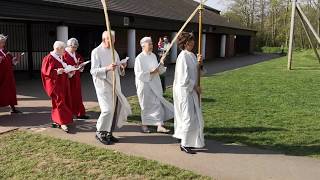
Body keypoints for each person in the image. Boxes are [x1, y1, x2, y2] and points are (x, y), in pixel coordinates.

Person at [91, 30, 132, 145]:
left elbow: (118, 68)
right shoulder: (96, 52)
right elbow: (93, 71)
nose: (113, 43)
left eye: (114, 40)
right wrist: (107, 68)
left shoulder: (114, 51)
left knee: (113, 110)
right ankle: (100, 131)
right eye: (111, 40)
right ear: (105, 39)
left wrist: (122, 66)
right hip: (103, 85)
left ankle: (108, 132)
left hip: (114, 84)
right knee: (107, 110)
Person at [172, 32, 205, 154]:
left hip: (191, 91)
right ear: (185, 43)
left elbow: (199, 72)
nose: (193, 43)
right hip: (184, 92)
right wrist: (195, 87)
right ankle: (184, 143)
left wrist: (200, 64)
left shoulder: (191, 55)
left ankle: (191, 141)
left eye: (193, 41)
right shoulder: (182, 57)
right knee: (188, 117)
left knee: (194, 117)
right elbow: (183, 79)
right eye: (190, 41)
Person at [134, 37, 173, 133]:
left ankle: (159, 125)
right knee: (145, 105)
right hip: (145, 85)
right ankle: (145, 125)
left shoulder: (153, 56)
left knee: (157, 104)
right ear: (143, 46)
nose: (152, 46)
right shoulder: (139, 58)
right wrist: (151, 72)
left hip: (155, 84)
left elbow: (158, 70)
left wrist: (161, 65)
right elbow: (138, 73)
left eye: (152, 44)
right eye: (149, 44)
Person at [41, 41, 73, 133]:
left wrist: (70, 71)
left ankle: (60, 120)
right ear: (58, 48)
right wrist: (56, 72)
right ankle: (62, 122)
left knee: (64, 101)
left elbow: (65, 67)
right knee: (59, 102)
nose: (65, 51)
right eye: (63, 49)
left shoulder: (60, 57)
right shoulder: (48, 58)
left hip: (63, 83)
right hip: (55, 84)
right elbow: (45, 72)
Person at [63, 38, 89, 119]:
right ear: (69, 46)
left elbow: (80, 61)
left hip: (76, 78)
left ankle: (79, 113)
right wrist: (71, 69)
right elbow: (63, 66)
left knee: (77, 96)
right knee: (69, 96)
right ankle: (69, 113)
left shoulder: (75, 54)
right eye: (73, 47)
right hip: (68, 79)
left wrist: (81, 66)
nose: (75, 49)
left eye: (76, 47)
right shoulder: (64, 54)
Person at [0, 34, 21, 114]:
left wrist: (15, 59)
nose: (3, 44)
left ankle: (13, 108)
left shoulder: (6, 52)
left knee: (11, 91)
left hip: (8, 76)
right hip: (1, 76)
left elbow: (12, 62)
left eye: (3, 42)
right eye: (2, 42)